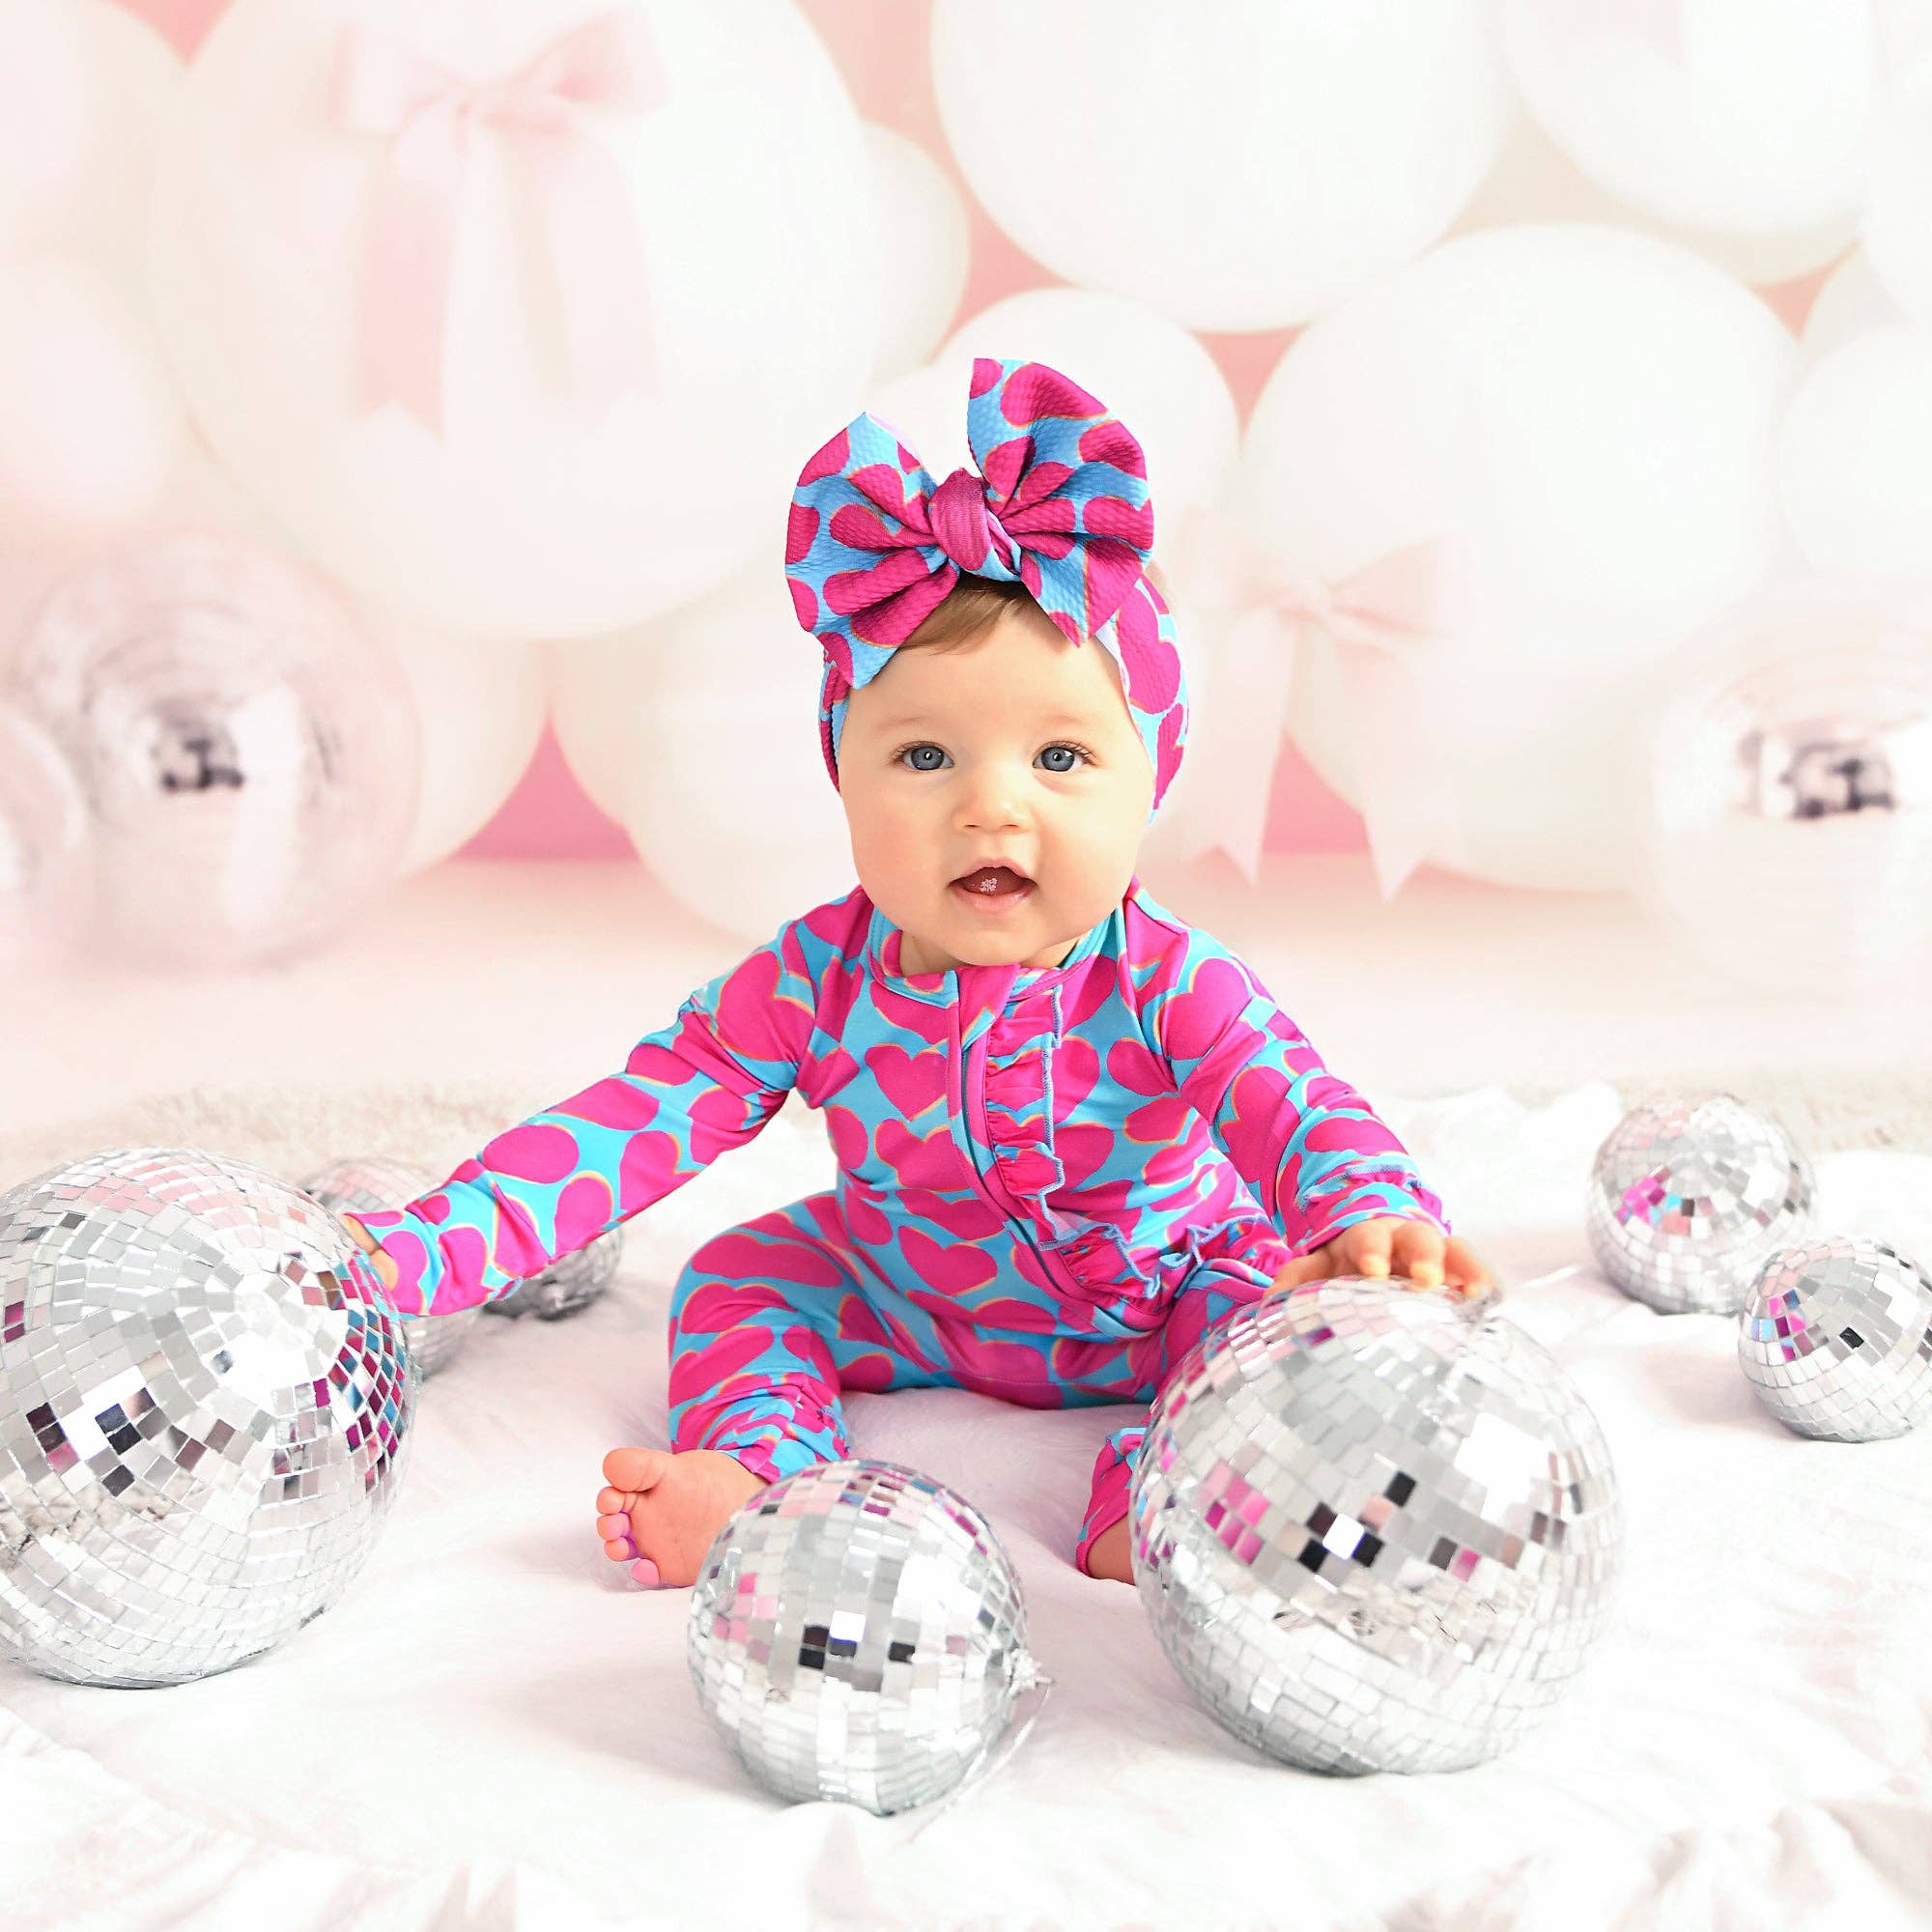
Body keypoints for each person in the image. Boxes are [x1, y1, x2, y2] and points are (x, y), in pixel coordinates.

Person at [341, 355, 1496, 1593]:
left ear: (1148, 783)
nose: (989, 805)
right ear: (842, 774)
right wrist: (422, 1249)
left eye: (1060, 757)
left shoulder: (1169, 980)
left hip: (1162, 1286)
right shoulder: (811, 978)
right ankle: (759, 1469)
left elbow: (1294, 1103)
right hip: (904, 1292)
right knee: (736, 1275)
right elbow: (631, 1121)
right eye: (925, 755)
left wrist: (1366, 1215)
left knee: (1258, 1313)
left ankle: (1164, 1494)